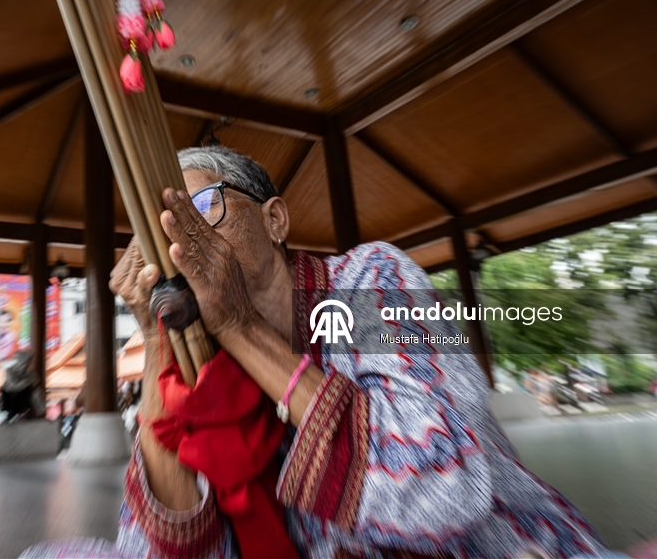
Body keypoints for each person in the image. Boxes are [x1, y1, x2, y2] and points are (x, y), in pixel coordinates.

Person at [101, 146, 605, 559]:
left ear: (274, 219)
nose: (180, 244)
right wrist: (155, 342)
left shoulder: (364, 283)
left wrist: (239, 325)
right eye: (162, 231)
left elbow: (442, 486)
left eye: (203, 206)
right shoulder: (198, 364)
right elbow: (152, 550)